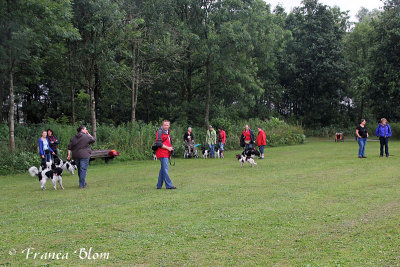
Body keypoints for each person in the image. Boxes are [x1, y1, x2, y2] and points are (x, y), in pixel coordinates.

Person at [155, 120, 176, 189]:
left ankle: (159, 186)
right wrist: (168, 148)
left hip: (166, 153)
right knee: (165, 169)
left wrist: (170, 153)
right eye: (165, 125)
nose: (166, 126)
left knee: (163, 170)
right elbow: (158, 143)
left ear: (169, 126)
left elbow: (168, 143)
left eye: (167, 125)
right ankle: (169, 185)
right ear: (162, 125)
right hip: (162, 153)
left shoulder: (168, 132)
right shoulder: (160, 132)